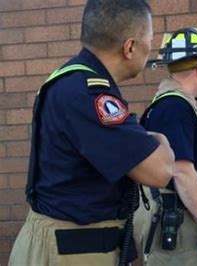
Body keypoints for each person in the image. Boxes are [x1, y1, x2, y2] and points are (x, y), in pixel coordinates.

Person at [8, 0, 175, 265]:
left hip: (73, 246)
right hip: (71, 252)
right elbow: (159, 171)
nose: (150, 49)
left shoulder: (74, 82)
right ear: (130, 47)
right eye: (150, 41)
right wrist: (161, 139)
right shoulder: (88, 93)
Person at [134, 28, 197, 265]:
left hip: (175, 212)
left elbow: (175, 165)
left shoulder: (172, 104)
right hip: (175, 221)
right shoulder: (174, 107)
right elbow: (180, 171)